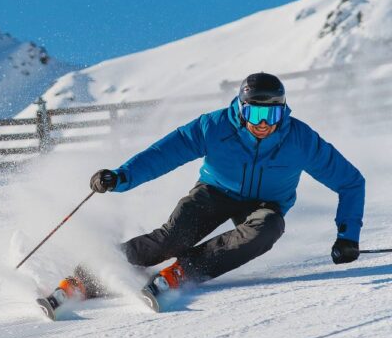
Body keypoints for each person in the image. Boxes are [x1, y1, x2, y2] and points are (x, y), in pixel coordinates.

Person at [45, 72, 365, 314]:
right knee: (171, 239)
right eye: (256, 114)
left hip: (266, 203)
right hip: (214, 191)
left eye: (273, 115)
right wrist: (122, 176)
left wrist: (348, 236)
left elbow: (350, 182)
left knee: (266, 230)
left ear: (284, 112)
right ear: (241, 110)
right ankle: (85, 277)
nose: (264, 124)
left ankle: (184, 271)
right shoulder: (215, 127)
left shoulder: (301, 139)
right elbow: (165, 153)